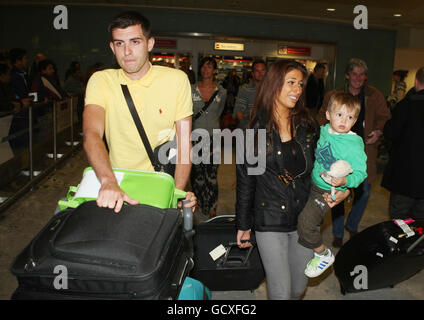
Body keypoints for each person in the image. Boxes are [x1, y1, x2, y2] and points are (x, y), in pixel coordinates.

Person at [236, 60, 350, 300]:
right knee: (280, 292)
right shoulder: (251, 128)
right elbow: (246, 180)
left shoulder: (308, 125)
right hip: (270, 219)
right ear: (274, 84)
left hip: (304, 219)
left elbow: (329, 164)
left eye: (300, 84)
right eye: (291, 83)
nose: (297, 90)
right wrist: (243, 224)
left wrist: (344, 187)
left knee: (298, 289)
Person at [83, 11, 196, 213]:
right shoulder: (101, 80)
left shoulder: (176, 80)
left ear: (149, 44)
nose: (127, 51)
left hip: (160, 184)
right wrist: (108, 181)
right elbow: (92, 133)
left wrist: (176, 192)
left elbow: (184, 142)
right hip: (117, 183)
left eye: (135, 42)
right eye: (119, 44)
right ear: (112, 47)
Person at [317, 58, 391, 248]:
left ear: (365, 77)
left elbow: (385, 118)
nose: (358, 78)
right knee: (338, 192)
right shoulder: (334, 95)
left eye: (362, 74)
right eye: (355, 74)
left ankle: (352, 224)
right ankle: (338, 232)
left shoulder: (374, 95)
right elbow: (320, 117)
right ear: (347, 75)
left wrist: (379, 131)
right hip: (338, 151)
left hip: (364, 150)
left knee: (364, 192)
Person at [297, 92, 367, 278]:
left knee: (306, 223)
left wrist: (346, 182)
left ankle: (323, 254)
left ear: (355, 120)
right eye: (339, 114)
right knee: (303, 220)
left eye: (350, 117)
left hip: (329, 192)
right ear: (328, 114)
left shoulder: (354, 143)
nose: (344, 120)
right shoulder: (324, 130)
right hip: (312, 184)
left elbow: (361, 173)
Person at [381, 67, 424, 220]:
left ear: (416, 81)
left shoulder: (406, 105)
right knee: (420, 225)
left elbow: (390, 133)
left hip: (405, 177)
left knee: (400, 222)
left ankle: (401, 244)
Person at [190, 57, 227, 218]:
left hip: (214, 136)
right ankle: (198, 202)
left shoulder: (221, 91)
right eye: (203, 67)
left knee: (211, 174)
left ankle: (212, 205)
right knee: (198, 173)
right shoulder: (191, 89)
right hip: (195, 136)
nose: (206, 70)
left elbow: (219, 112)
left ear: (214, 70)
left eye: (209, 67)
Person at [233, 59, 266, 129]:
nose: (260, 73)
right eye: (257, 71)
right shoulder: (245, 89)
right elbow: (238, 111)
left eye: (263, 70)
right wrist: (247, 127)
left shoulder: (272, 90)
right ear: (252, 73)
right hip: (249, 129)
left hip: (266, 131)